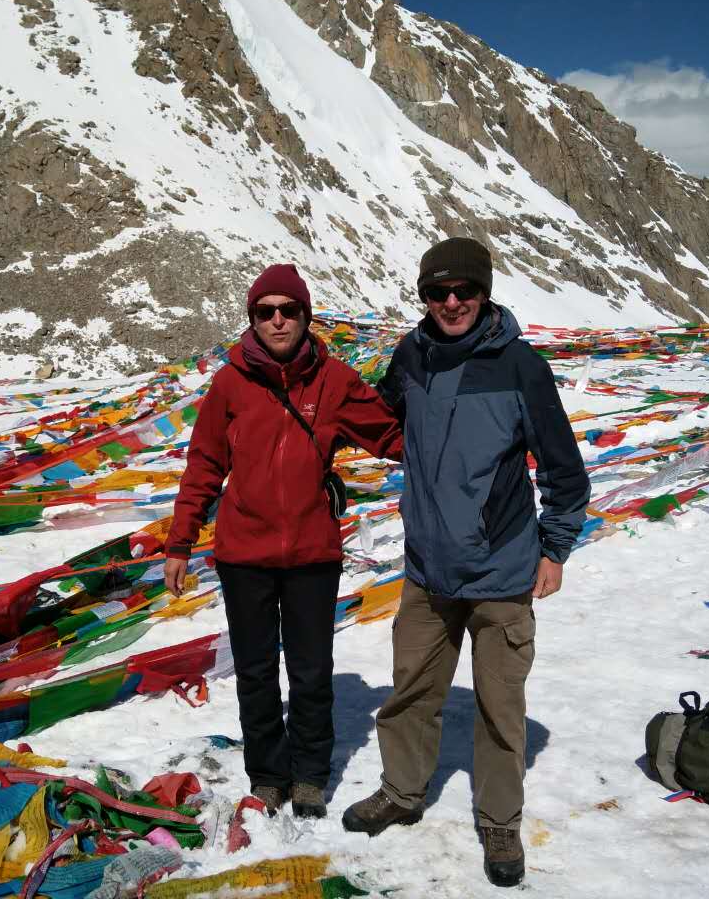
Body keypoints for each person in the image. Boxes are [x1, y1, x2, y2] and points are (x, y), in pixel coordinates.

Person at [340, 237, 591, 888]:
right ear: (423, 297)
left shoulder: (520, 366)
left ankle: (500, 821)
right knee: (410, 693)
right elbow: (381, 420)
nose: (451, 303)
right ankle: (401, 791)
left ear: (483, 292)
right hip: (427, 568)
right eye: (437, 292)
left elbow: (565, 471)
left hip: (502, 572)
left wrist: (555, 547)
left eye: (463, 291)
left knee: (499, 707)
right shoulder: (411, 357)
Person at [163, 263, 402, 820]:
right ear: (252, 318)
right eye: (265, 311)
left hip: (312, 556)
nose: (277, 320)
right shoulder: (229, 383)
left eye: (288, 310)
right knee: (254, 671)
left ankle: (311, 774)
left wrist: (459, 441)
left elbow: (391, 436)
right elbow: (204, 465)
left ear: (305, 315)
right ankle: (269, 775)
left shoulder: (335, 381)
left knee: (312, 671)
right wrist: (179, 543)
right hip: (243, 555)